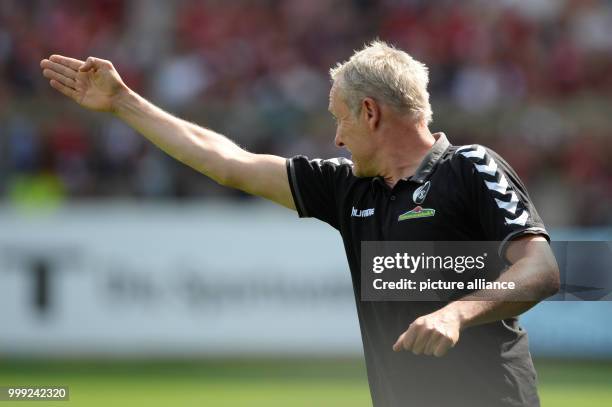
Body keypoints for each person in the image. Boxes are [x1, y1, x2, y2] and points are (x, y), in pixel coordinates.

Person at [40, 40, 559, 407]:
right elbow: (229, 163)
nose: (336, 138)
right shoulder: (346, 186)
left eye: (341, 118)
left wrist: (457, 314)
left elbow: (540, 268)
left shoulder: (470, 166)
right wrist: (125, 103)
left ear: (371, 113)